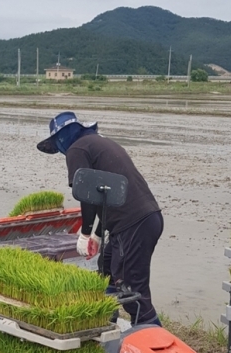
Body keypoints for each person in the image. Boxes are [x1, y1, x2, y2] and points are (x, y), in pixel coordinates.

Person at [37, 111, 163, 326]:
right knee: (107, 270)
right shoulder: (96, 143)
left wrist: (85, 232)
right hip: (142, 219)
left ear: (62, 137)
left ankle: (153, 341)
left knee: (132, 289)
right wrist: (96, 235)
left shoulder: (77, 149)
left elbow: (87, 196)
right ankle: (105, 320)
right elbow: (106, 195)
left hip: (132, 224)